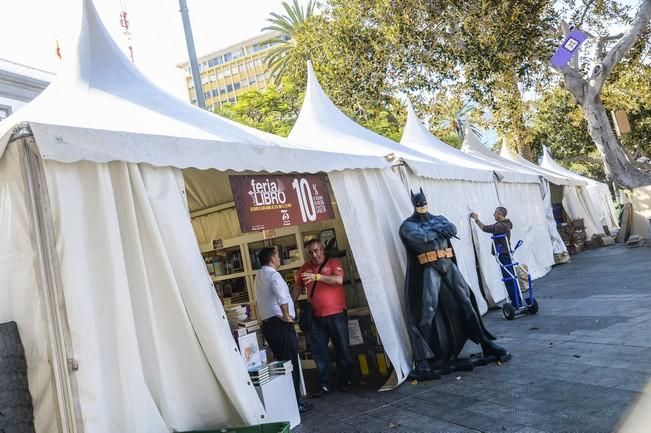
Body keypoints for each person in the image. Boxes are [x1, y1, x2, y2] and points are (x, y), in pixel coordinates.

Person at [400, 189, 510, 380]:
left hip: (447, 264)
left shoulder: (439, 218)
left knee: (467, 302)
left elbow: (452, 228)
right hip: (429, 267)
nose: (422, 205)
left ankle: (485, 343)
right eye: (418, 203)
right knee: (427, 310)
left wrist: (433, 231)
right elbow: (419, 238)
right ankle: (423, 357)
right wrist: (436, 231)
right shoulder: (408, 225)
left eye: (423, 201)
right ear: (413, 203)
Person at [255, 247, 313, 414]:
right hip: (280, 325)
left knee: (281, 364)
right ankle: (295, 402)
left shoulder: (259, 275)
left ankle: (288, 399)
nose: (280, 259)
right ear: (273, 259)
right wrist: (287, 315)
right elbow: (281, 295)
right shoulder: (273, 275)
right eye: (278, 256)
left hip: (269, 325)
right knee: (290, 364)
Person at [294, 239, 353, 396]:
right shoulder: (304, 268)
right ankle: (324, 384)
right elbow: (297, 288)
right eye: (311, 252)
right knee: (319, 352)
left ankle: (345, 380)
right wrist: (290, 306)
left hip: (336, 314)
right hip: (315, 317)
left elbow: (338, 280)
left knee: (342, 348)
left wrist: (317, 277)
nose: (314, 254)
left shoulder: (333, 263)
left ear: (322, 249)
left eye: (316, 250)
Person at [470, 207, 517, 305]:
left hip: (503, 254)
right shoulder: (507, 223)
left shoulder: (500, 226)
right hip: (506, 253)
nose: (493, 215)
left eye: (495, 213)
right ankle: (517, 300)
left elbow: (485, 228)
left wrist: (476, 219)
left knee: (508, 278)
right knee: (511, 276)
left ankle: (515, 302)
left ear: (499, 214)